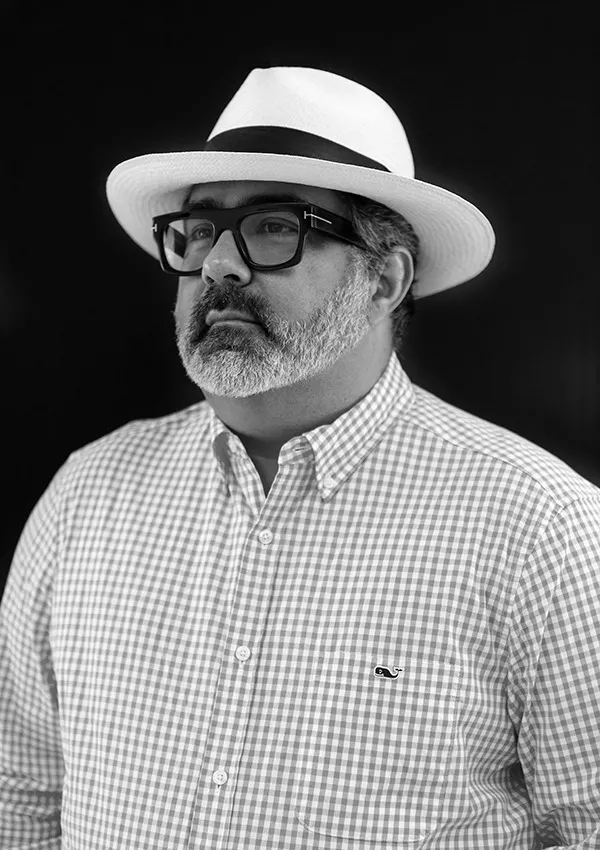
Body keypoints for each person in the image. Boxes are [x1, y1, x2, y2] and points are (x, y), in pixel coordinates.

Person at [1, 66, 599, 850]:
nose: (218, 265)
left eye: (275, 226)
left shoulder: (541, 528)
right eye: (199, 231)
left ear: (384, 280)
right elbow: (20, 800)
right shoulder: (88, 494)